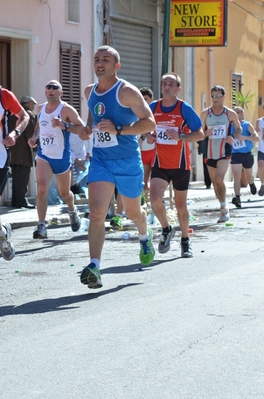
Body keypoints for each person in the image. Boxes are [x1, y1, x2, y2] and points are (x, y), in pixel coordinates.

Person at [79, 45, 156, 289]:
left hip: (127, 161)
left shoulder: (127, 92)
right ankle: (94, 267)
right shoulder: (89, 91)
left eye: (106, 59)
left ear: (116, 65)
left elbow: (149, 123)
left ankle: (144, 235)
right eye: (97, 59)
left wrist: (119, 130)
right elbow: (93, 117)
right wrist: (87, 128)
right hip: (101, 160)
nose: (100, 63)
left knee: (133, 213)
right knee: (97, 212)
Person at [147, 72, 204, 258]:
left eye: (171, 84)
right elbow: (140, 126)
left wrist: (181, 136)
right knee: (154, 200)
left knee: (180, 207)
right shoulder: (153, 107)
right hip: (160, 163)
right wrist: (146, 135)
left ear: (178, 88)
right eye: (164, 83)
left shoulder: (183, 108)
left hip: (180, 165)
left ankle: (185, 240)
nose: (167, 87)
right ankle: (166, 229)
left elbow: (200, 133)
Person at [28, 80, 85, 239]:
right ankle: (41, 225)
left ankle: (72, 211)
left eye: (55, 88)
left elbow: (82, 129)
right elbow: (39, 126)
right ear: (45, 92)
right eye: (48, 87)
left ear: (61, 92)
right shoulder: (40, 108)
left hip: (61, 157)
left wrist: (64, 125)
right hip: (44, 155)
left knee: (65, 193)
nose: (51, 90)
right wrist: (34, 137)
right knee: (41, 188)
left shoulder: (66, 109)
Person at [200, 85, 242, 222]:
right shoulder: (205, 113)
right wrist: (205, 133)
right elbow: (199, 133)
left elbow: (239, 129)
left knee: (219, 179)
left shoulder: (230, 114)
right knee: (215, 183)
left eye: (218, 96)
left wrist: (233, 137)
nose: (215, 99)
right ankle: (222, 205)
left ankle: (224, 208)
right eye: (213, 96)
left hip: (225, 151)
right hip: (210, 151)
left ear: (224, 97)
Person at [0, 86, 29, 260]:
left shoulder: (4, 95)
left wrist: (15, 133)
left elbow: (23, 116)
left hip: (0, 157)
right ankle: (3, 232)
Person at [9, 95, 38, 208]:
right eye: (33, 104)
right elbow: (30, 134)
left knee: (16, 178)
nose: (34, 106)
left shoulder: (13, 114)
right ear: (29, 104)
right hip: (24, 152)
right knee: (23, 178)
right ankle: (21, 201)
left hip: (13, 152)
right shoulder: (28, 115)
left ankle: (15, 201)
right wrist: (35, 148)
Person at [230, 106, 258, 208]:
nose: (237, 114)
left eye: (239, 112)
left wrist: (245, 137)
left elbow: (257, 138)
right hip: (235, 154)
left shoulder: (247, 125)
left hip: (247, 154)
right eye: (235, 112)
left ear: (242, 114)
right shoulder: (230, 126)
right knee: (236, 176)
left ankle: (251, 183)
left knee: (248, 176)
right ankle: (237, 198)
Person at [255, 116, 264, 196]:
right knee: (261, 168)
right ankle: (263, 184)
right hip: (262, 148)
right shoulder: (259, 121)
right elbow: (255, 133)